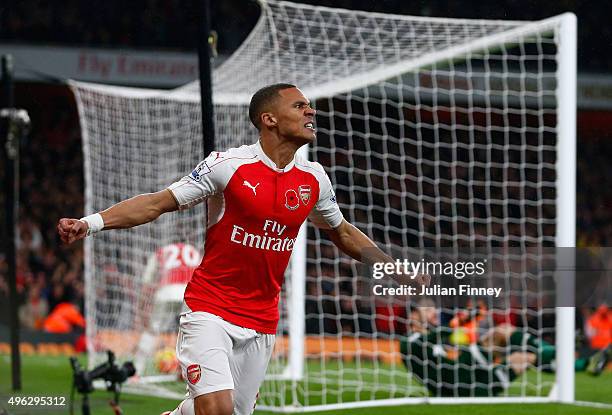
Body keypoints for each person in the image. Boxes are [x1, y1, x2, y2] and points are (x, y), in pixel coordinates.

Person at [58, 83, 427, 415]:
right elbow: (158, 202)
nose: (310, 112)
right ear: (269, 119)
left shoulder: (314, 179)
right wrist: (90, 223)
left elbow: (342, 232)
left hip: (262, 319)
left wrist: (392, 268)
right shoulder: (228, 166)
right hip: (210, 309)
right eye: (299, 106)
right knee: (216, 411)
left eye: (309, 106)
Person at [400, 303, 611, 397]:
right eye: (427, 310)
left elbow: (441, 340)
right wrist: (459, 322)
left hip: (465, 371)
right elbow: (427, 341)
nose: (433, 313)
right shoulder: (409, 342)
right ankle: (572, 358)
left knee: (512, 341)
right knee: (518, 349)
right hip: (462, 383)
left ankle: (574, 360)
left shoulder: (427, 337)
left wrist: (462, 324)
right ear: (413, 317)